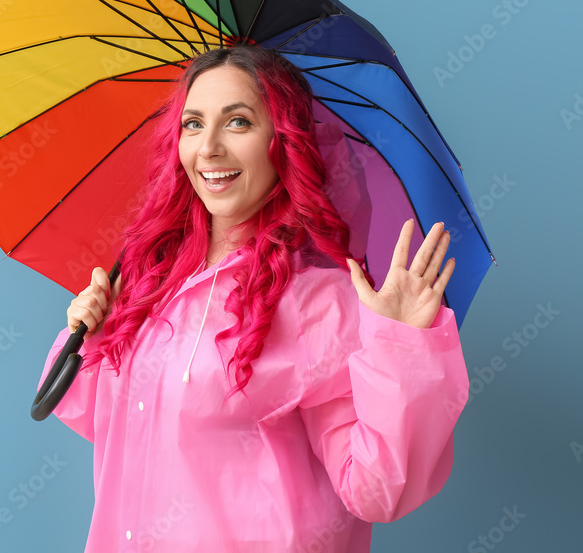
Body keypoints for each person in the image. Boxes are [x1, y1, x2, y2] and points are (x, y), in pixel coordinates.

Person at [37, 45, 469, 552]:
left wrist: (402, 348)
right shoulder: (153, 284)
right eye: (193, 124)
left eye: (238, 122)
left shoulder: (321, 305)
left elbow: (375, 492)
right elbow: (109, 424)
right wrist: (89, 335)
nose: (209, 148)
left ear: (282, 143)